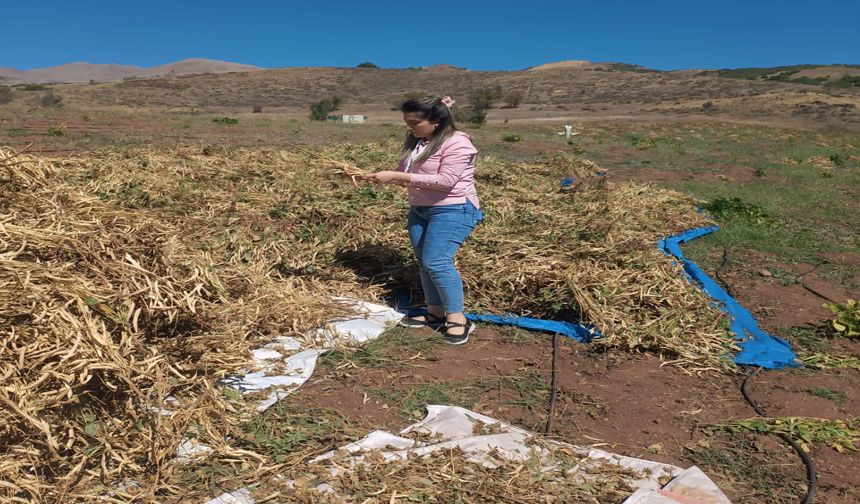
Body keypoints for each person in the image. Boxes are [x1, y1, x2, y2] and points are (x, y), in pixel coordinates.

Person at [363, 96, 483, 345]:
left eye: (415, 122)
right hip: (420, 209)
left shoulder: (457, 143)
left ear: (436, 121)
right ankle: (435, 312)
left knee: (436, 261)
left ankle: (458, 318)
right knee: (424, 261)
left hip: (453, 209)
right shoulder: (418, 142)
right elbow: (407, 174)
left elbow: (446, 182)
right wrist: (376, 177)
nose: (410, 127)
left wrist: (397, 176)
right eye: (407, 122)